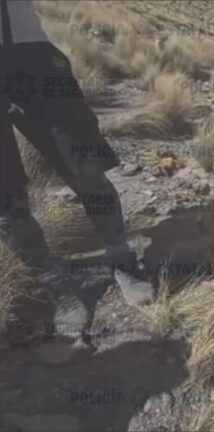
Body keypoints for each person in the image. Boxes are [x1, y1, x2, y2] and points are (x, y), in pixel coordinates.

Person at [1, 1, 154, 346]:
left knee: (84, 163)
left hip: (29, 52)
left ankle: (120, 256)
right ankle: (54, 282)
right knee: (4, 197)